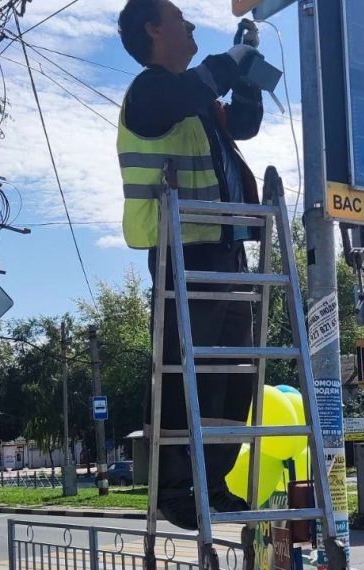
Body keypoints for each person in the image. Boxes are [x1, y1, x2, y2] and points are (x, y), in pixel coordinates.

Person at [116, 0, 265, 530]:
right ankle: (174, 488)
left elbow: (242, 125)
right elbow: (192, 89)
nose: (194, 24)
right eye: (181, 17)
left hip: (227, 250)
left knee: (232, 374)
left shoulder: (198, 103)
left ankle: (213, 481)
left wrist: (246, 75)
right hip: (182, 250)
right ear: (155, 30)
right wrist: (233, 58)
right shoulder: (151, 90)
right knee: (184, 372)